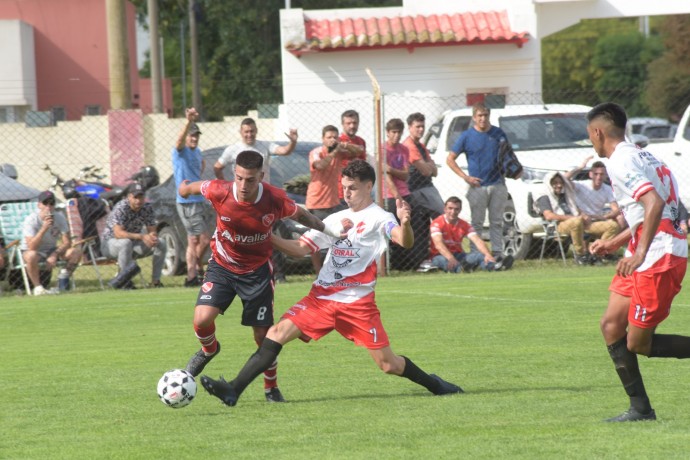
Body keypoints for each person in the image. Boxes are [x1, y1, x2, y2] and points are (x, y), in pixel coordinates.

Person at [198, 160, 463, 407]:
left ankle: (434, 383)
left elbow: (404, 241)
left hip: (356, 304)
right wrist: (266, 235)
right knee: (275, 334)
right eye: (344, 188)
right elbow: (301, 248)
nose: (347, 193)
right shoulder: (336, 219)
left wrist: (405, 222)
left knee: (388, 365)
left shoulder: (380, 217)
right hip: (320, 300)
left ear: (369, 186)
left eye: (353, 188)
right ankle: (233, 389)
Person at [178, 150, 346, 403]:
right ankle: (209, 349)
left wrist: (330, 231)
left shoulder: (274, 199)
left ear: (261, 176)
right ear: (234, 174)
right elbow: (192, 188)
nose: (244, 185)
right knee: (202, 320)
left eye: (251, 180)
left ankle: (271, 388)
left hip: (257, 272)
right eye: (239, 178)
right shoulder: (219, 190)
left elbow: (302, 215)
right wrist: (183, 189)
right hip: (222, 266)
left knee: (263, 336)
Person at [587, 102, 689, 422]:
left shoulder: (620, 161)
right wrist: (615, 242)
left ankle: (641, 410)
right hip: (648, 251)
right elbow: (646, 212)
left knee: (639, 343)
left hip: (658, 257)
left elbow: (654, 202)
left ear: (598, 132)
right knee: (611, 325)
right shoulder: (644, 154)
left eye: (589, 136)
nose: (591, 141)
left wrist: (639, 253)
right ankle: (640, 409)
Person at [447, 102, 509, 260]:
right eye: (480, 116)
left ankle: (497, 252)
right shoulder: (467, 136)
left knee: (496, 221)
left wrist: (514, 170)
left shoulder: (498, 133)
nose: (483, 119)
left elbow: (508, 155)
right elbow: (450, 159)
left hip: (497, 183)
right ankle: (476, 254)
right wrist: (465, 177)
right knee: (477, 223)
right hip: (478, 186)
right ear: (474, 118)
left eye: (486, 115)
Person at [172, 107, 213, 287]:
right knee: (204, 239)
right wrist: (188, 120)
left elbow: (200, 166)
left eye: (196, 135)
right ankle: (196, 268)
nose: (194, 138)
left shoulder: (198, 152)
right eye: (191, 135)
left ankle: (191, 276)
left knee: (194, 240)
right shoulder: (180, 151)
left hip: (198, 199)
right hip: (187, 202)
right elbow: (179, 141)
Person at [100, 183, 166, 289]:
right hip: (111, 244)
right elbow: (118, 234)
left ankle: (155, 281)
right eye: (135, 197)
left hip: (133, 244)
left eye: (141, 197)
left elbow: (152, 230)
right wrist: (142, 237)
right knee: (125, 242)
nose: (138, 201)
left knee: (161, 242)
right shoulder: (121, 207)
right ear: (129, 197)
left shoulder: (147, 207)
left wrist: (152, 237)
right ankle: (123, 281)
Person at [305, 125, 352, 272]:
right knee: (316, 238)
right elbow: (319, 165)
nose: (332, 140)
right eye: (329, 137)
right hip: (317, 202)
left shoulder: (339, 152)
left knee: (341, 235)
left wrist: (346, 145)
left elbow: (359, 152)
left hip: (333, 202)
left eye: (335, 137)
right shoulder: (316, 152)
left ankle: (336, 268)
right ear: (323, 139)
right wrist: (334, 153)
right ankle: (319, 272)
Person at [403, 112, 446, 269]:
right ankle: (434, 255)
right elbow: (427, 170)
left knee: (433, 222)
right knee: (441, 217)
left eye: (422, 126)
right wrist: (429, 166)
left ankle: (436, 254)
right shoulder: (409, 146)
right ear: (410, 127)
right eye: (417, 127)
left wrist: (429, 166)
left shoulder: (421, 146)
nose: (420, 130)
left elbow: (434, 170)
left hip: (427, 187)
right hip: (418, 189)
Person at [21, 190, 82, 295]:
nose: (48, 207)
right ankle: (38, 288)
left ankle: (62, 280)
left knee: (75, 252)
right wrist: (44, 228)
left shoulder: (59, 217)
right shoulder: (31, 220)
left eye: (52, 203)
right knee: (31, 255)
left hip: (51, 250)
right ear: (39, 205)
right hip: (34, 251)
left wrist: (55, 254)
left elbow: (67, 242)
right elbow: (31, 246)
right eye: (45, 203)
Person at [430, 196, 513, 273]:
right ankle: (462, 269)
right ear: (445, 209)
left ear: (460, 210)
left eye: (456, 209)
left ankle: (494, 267)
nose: (453, 212)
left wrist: (488, 255)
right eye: (450, 208)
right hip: (440, 255)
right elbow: (439, 245)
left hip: (458, 255)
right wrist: (450, 258)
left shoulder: (464, 224)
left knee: (480, 256)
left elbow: (477, 240)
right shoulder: (437, 223)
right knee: (443, 261)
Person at [213, 117, 298, 182]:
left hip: (263, 192)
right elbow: (217, 167)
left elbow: (285, 151)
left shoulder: (265, 145)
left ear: (256, 130)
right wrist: (224, 185)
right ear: (241, 132)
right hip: (242, 193)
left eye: (252, 131)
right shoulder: (232, 149)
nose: (249, 134)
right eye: (246, 132)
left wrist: (293, 142)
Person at [533, 172, 590, 265]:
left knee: (611, 225)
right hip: (556, 226)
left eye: (561, 183)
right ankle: (581, 255)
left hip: (577, 222)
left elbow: (575, 209)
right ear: (549, 184)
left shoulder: (566, 194)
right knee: (576, 222)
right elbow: (549, 216)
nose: (559, 185)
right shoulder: (544, 196)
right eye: (555, 183)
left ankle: (599, 255)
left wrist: (584, 215)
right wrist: (573, 218)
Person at [565, 155, 621, 248]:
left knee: (616, 223)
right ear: (590, 174)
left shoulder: (607, 189)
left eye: (601, 174)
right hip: (581, 220)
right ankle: (596, 250)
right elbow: (564, 179)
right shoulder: (581, 185)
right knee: (612, 225)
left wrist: (605, 216)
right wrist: (580, 167)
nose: (598, 177)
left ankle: (599, 251)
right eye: (596, 174)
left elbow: (616, 209)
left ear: (606, 175)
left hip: (596, 221)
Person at [382, 118, 410, 270]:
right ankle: (390, 265)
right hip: (390, 197)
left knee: (406, 228)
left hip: (405, 193)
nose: (396, 135)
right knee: (391, 231)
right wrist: (398, 198)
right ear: (387, 133)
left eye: (399, 132)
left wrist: (391, 169)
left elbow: (405, 175)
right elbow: (387, 179)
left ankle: (404, 265)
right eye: (393, 132)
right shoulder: (382, 150)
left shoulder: (404, 149)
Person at [337, 109, 368, 202]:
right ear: (342, 124)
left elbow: (363, 162)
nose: (352, 126)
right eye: (348, 123)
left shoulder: (361, 141)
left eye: (355, 123)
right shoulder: (338, 140)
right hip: (341, 191)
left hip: (358, 190)